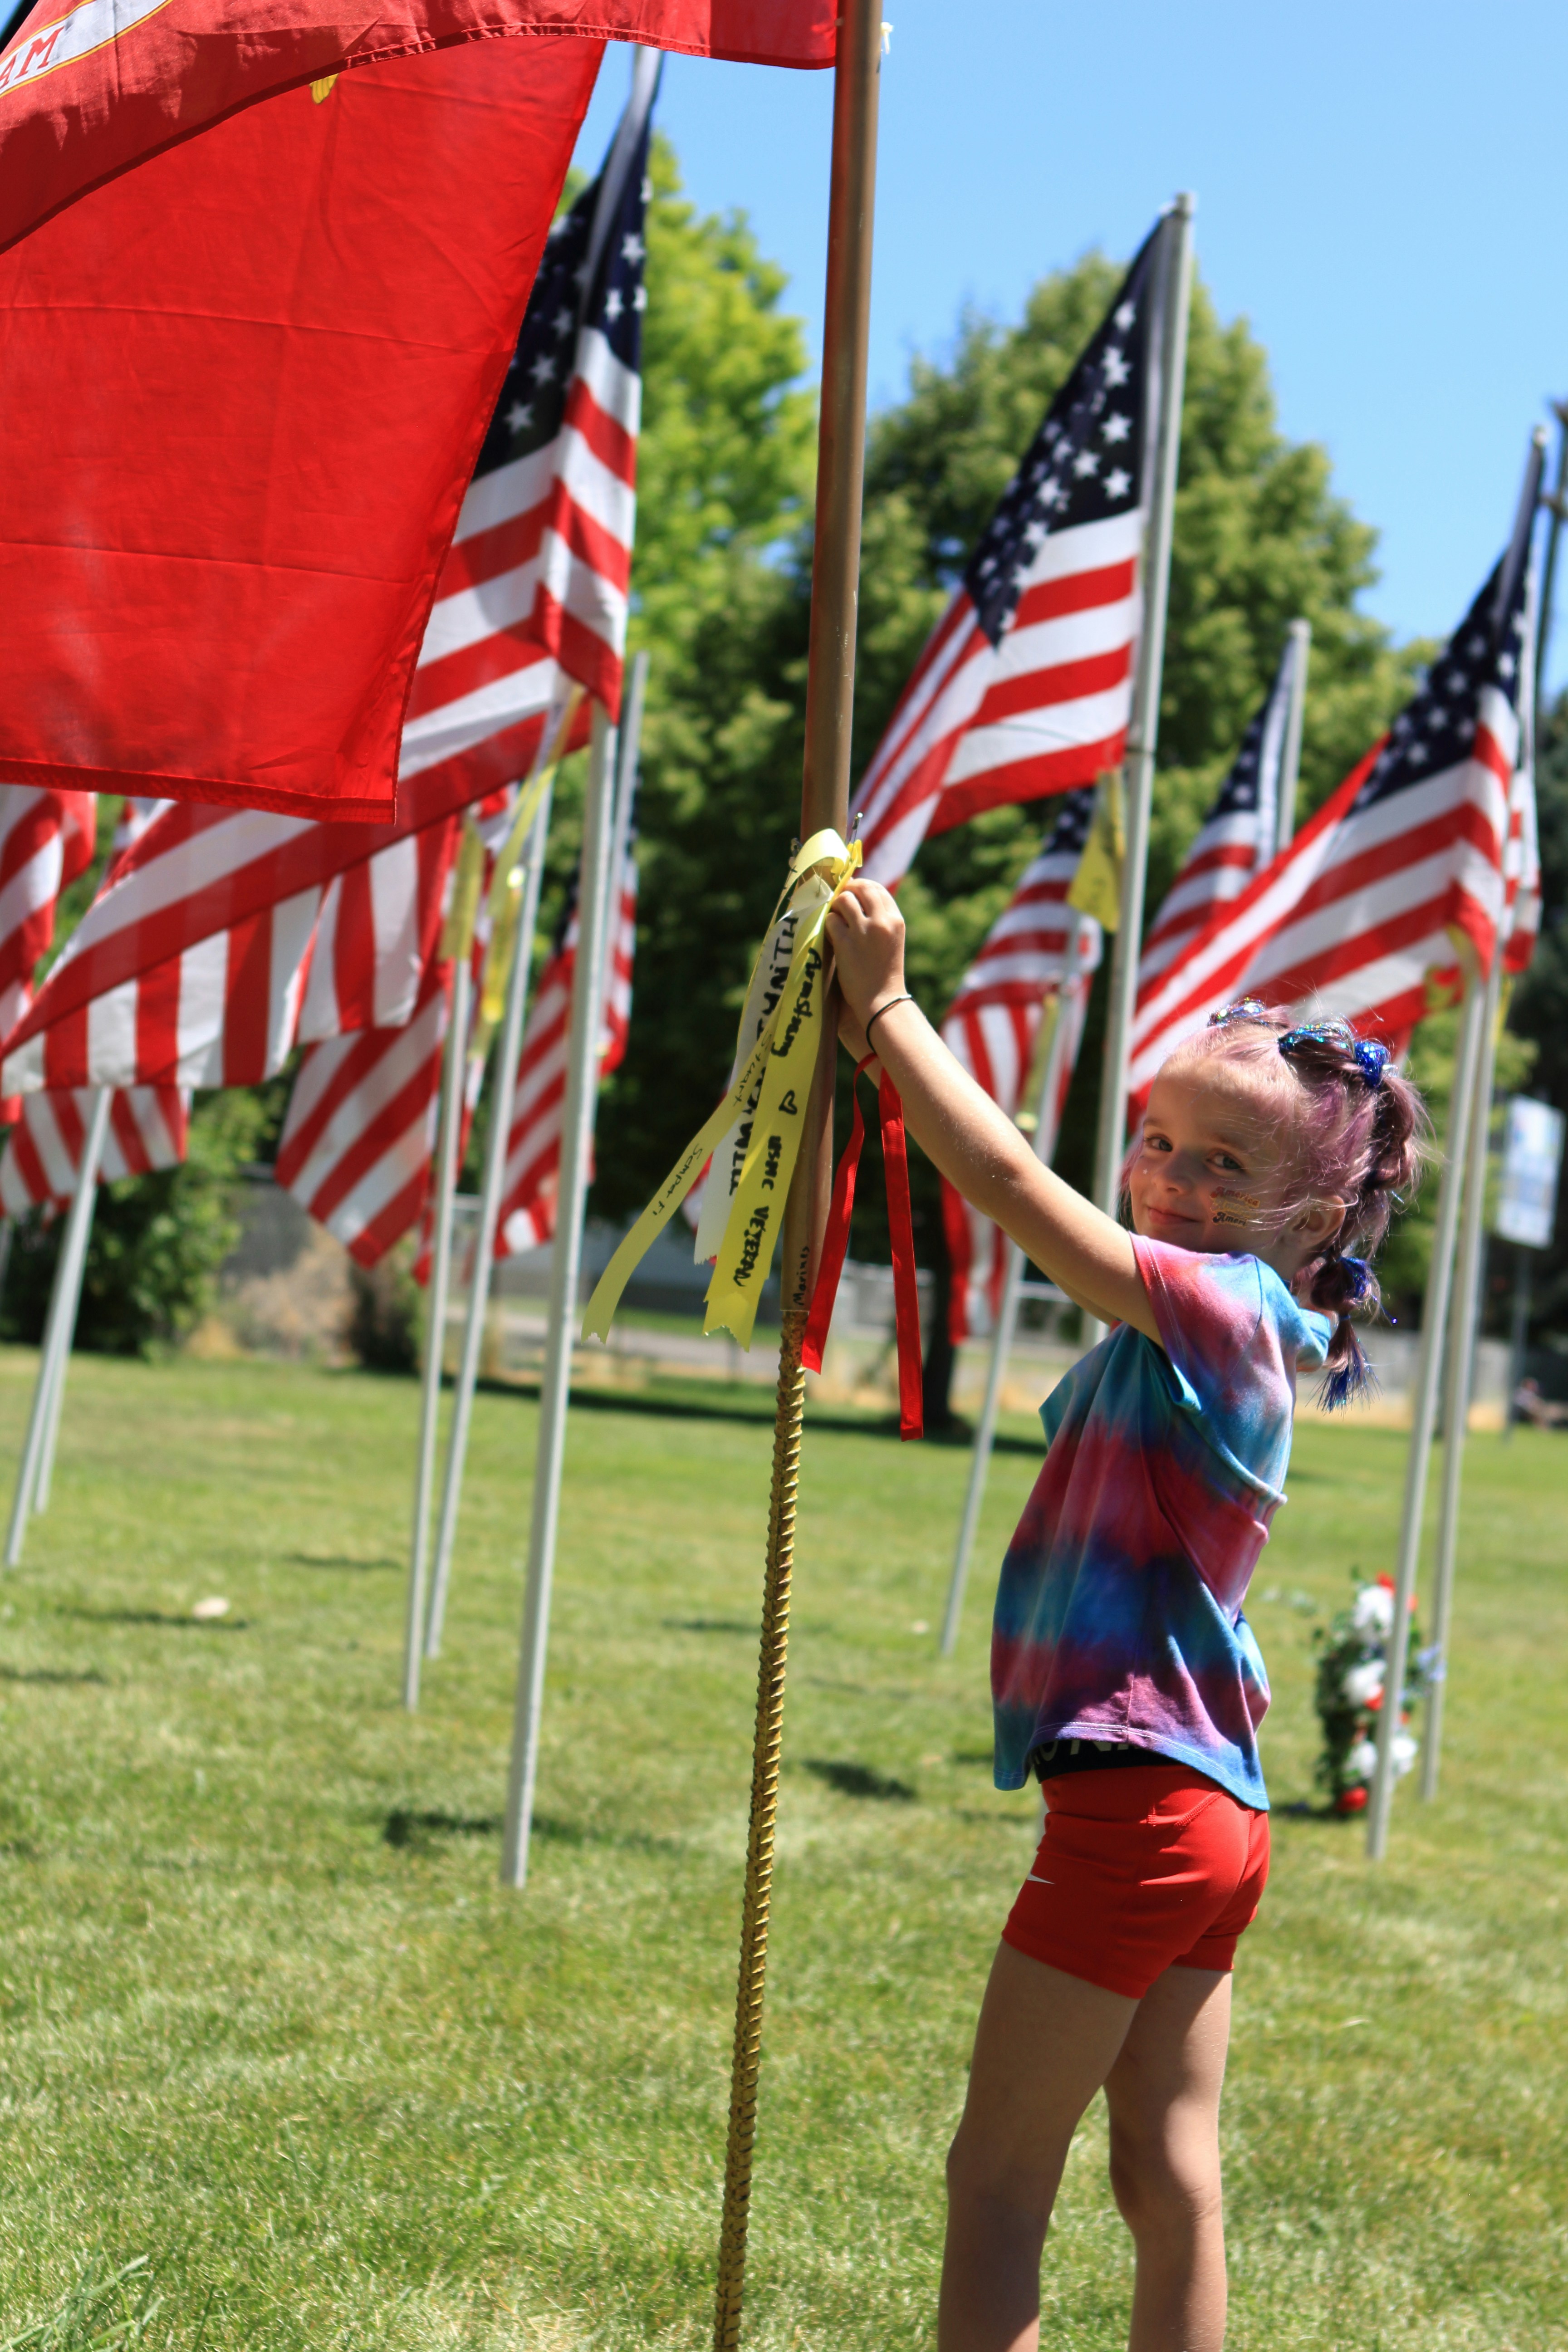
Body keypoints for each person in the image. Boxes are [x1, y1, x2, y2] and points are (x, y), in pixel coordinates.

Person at [823, 876, 1426, 2352]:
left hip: (1143, 1807)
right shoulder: (1202, 1331)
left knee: (998, 2177)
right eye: (1158, 1141)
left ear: (1312, 1218)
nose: (1172, 1177)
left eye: (1225, 1164)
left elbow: (1027, 1199)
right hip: (1214, 1811)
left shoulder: (1225, 1309)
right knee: (1168, 2177)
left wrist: (896, 1010)